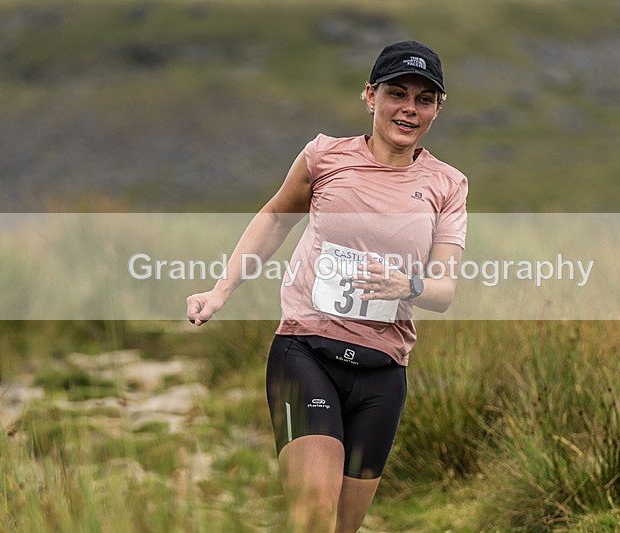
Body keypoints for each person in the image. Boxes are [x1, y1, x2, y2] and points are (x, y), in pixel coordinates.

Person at [186, 40, 468, 532]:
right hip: (306, 352)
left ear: (437, 110)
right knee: (313, 513)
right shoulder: (324, 156)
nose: (409, 108)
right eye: (396, 93)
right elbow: (275, 219)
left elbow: (443, 292)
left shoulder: (448, 184)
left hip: (383, 372)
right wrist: (219, 291)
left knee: (342, 525)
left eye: (424, 100)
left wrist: (408, 284)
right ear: (370, 96)